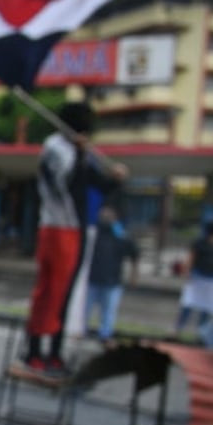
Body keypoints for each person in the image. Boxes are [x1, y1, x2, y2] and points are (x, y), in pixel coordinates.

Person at [23, 102, 127, 377]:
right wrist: (80, 155)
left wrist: (115, 179)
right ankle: (34, 350)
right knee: (49, 291)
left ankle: (54, 352)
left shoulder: (81, 152)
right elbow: (63, 183)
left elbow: (97, 184)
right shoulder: (56, 148)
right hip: (57, 228)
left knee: (66, 293)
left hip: (76, 230)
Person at [83, 205, 140, 344]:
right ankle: (81, 330)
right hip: (92, 278)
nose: (105, 214)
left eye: (109, 212)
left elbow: (134, 254)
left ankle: (105, 335)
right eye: (104, 211)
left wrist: (134, 274)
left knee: (108, 311)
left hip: (112, 280)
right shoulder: (94, 231)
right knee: (85, 309)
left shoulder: (120, 234)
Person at [175, 217, 213, 336]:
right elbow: (192, 258)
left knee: (206, 307)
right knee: (190, 303)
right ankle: (179, 329)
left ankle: (200, 332)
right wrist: (187, 272)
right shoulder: (201, 243)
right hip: (200, 276)